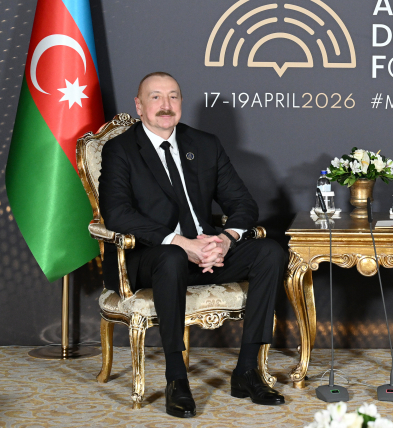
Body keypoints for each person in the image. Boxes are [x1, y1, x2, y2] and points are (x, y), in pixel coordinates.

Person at [99, 72, 287, 418]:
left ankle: (247, 371)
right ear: (139, 106)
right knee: (172, 256)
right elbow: (117, 214)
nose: (166, 105)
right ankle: (176, 379)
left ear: (181, 103)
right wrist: (181, 242)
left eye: (173, 96)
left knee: (270, 252)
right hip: (150, 258)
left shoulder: (204, 144)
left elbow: (243, 204)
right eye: (156, 97)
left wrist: (225, 240)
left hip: (208, 252)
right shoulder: (120, 149)